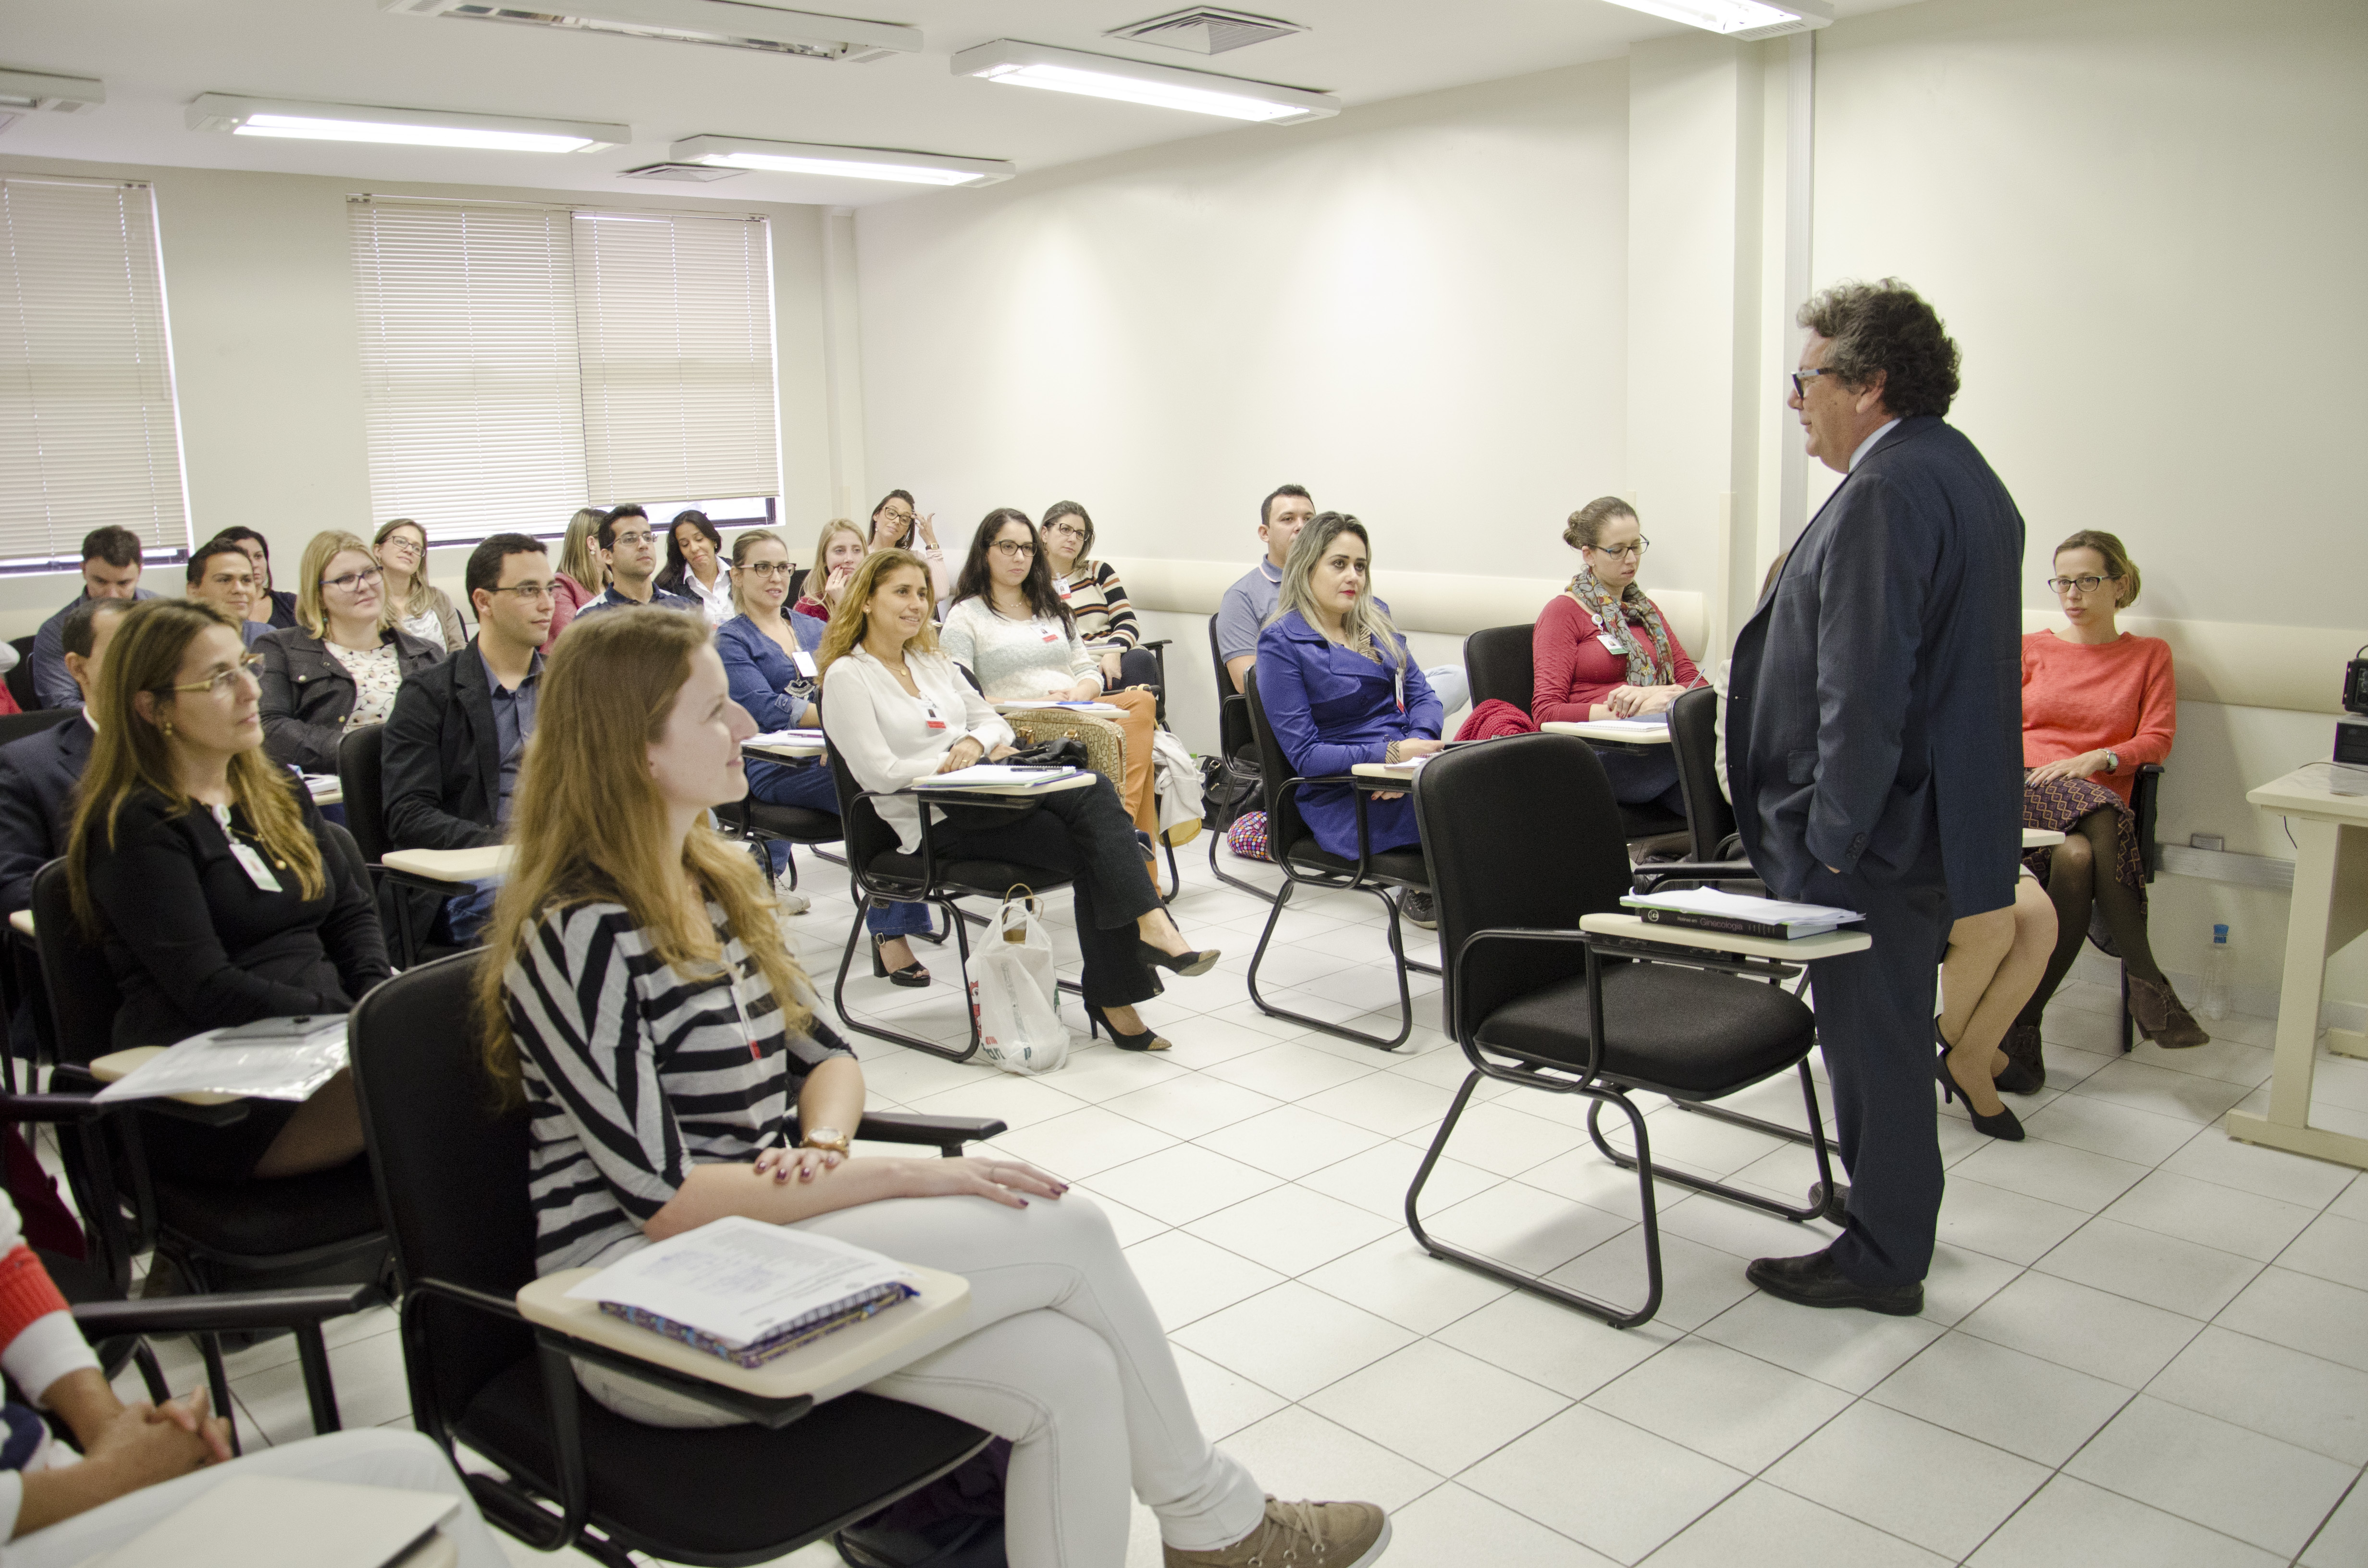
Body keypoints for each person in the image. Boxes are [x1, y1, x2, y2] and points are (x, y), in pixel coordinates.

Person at [484, 605, 1380, 1568]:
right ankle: (1223, 1532)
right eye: (712, 715)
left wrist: (823, 1152)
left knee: (1071, 1371)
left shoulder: (709, 887)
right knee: (1070, 1233)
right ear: (636, 751)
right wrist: (902, 1179)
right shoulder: (577, 933)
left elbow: (827, 1057)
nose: (745, 728)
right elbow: (663, 1204)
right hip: (633, 1303)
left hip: (752, 1242)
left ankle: (1216, 1527)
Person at [1727, 279, 2023, 1317]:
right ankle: (1888, 1198)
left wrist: (1836, 838)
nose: (1796, 403)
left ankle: (1884, 1254)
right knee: (1888, 1028)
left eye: (1805, 380)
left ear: (1869, 380)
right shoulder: (1960, 473)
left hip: (1877, 836)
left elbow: (1865, 682)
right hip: (1930, 820)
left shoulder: (1887, 491)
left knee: (1876, 1036)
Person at [826, 550, 1220, 1050]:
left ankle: (1142, 947)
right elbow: (877, 772)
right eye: (901, 592)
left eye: (922, 593)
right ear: (865, 601)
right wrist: (955, 760)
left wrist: (975, 743)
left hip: (987, 795)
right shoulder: (847, 676)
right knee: (1102, 846)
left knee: (1092, 791)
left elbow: (991, 721)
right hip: (932, 821)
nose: (916, 604)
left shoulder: (931, 662)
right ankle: (1129, 973)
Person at [0, 1185, 509, 1568]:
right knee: (409, 1481)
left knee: (413, 1473)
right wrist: (113, 1478)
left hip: (42, 1481)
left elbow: (6, 1268)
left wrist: (114, 1434)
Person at [67, 600, 387, 1185]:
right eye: (219, 679)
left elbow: (350, 914)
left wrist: (372, 1001)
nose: (248, 691)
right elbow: (207, 987)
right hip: (219, 1091)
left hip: (325, 1047)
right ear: (153, 707)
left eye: (246, 667)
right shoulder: (135, 824)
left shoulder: (277, 792)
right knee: (433, 1087)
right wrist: (352, 1024)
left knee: (473, 1051)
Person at [2015, 528, 2201, 1054]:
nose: (2071, 595)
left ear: (2119, 586)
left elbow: (2156, 738)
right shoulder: (2029, 650)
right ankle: (2149, 983)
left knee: (2076, 859)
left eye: (2087, 581)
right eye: (2062, 583)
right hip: (2025, 789)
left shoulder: (2148, 656)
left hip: (2098, 816)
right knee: (2097, 808)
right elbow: (1988, 727)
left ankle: (2023, 1029)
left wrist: (2102, 757)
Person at [1251, 514, 1444, 929]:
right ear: (1307, 567)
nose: (1353, 576)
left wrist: (1415, 751)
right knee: (1474, 804)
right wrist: (1388, 757)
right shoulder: (1282, 641)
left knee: (1500, 780)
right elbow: (1306, 756)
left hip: (1405, 771)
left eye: (1361, 565)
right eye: (1339, 564)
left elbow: (1422, 695)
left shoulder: (1375, 616)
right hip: (1346, 793)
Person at [940, 510, 1163, 845]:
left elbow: (1087, 668)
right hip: (1018, 722)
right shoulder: (966, 616)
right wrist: (1038, 702)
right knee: (1134, 747)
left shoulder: (1052, 608)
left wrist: (1084, 689)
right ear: (985, 551)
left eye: (1028, 548)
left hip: (1075, 710)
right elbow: (960, 697)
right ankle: (1125, 834)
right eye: (1008, 546)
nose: (1020, 557)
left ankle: (1123, 830)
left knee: (1142, 702)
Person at [381, 534, 554, 945]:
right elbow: (408, 814)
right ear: (483, 601)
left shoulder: (568, 684)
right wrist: (512, 845)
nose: (546, 604)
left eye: (548, 589)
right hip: (476, 875)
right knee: (558, 911)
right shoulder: (429, 695)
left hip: (562, 857)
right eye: (529, 591)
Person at [1215, 485, 1469, 716]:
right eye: (1288, 519)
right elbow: (1247, 682)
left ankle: (1394, 718)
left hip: (1373, 685)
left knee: (1455, 678)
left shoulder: (1347, 590)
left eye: (1308, 519)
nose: (1300, 526)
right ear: (1265, 533)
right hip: (1314, 700)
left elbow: (1399, 667)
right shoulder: (1243, 597)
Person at [709, 530, 848, 925]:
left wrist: (842, 726)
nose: (775, 577)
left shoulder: (811, 629)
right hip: (770, 763)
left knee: (887, 784)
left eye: (783, 568)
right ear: (737, 576)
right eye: (763, 568)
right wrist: (839, 719)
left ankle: (892, 916)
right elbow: (763, 709)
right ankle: (891, 910)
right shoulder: (732, 641)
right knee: (873, 789)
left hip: (826, 749)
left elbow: (847, 682)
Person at [1532, 497, 1700, 816]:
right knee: (1704, 749)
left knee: (1720, 763)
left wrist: (1659, 695)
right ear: (1589, 554)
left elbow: (1693, 681)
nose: (1631, 559)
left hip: (1655, 746)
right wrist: (1625, 712)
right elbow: (1546, 714)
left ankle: (1700, 860)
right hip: (1597, 754)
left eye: (1636, 546)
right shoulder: (1562, 613)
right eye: (1617, 549)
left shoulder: (1645, 613)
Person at [256, 531, 442, 775]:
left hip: (419, 786)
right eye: (345, 579)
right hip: (335, 794)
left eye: (370, 573)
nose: (363, 586)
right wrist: (363, 752)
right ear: (319, 595)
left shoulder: (426, 653)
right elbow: (270, 729)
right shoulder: (279, 648)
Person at [0, 600, 131, 915]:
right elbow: (16, 890)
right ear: (77, 668)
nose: (146, 664)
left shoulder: (197, 746)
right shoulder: (26, 767)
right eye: (125, 650)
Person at [1040, 501, 1160, 697]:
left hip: (1112, 658)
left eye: (1080, 534)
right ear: (1045, 533)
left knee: (1140, 660)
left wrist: (1113, 652)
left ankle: (1132, 725)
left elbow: (1127, 621)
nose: (1073, 539)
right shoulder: (1030, 584)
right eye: (1065, 529)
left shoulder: (1098, 572)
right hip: (1070, 665)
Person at [29, 527, 155, 713]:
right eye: (101, 582)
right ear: (83, 570)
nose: (112, 595)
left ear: (140, 572)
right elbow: (62, 707)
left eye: (123, 583)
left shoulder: (163, 615)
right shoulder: (56, 631)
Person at [576, 505, 700, 617]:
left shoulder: (685, 609)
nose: (643, 545)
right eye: (630, 539)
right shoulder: (590, 617)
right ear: (608, 556)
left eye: (647, 538)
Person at [371, 518, 467, 652]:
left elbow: (459, 653)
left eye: (417, 548)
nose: (409, 550)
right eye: (400, 542)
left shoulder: (438, 598)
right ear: (378, 550)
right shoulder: (367, 601)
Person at [180, 538, 271, 651]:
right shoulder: (175, 642)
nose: (239, 589)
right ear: (193, 590)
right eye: (224, 580)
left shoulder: (267, 637)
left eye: (246, 580)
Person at [207, 527, 298, 632]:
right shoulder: (216, 608)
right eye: (244, 556)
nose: (254, 565)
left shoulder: (291, 604)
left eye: (258, 556)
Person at [654, 509, 735, 626]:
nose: (694, 548)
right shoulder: (669, 587)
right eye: (685, 544)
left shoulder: (740, 572)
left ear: (714, 540)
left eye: (699, 539)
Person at [866, 489, 950, 599]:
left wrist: (931, 541)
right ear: (876, 515)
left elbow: (941, 593)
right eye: (891, 513)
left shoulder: (914, 560)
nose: (896, 521)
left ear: (906, 531)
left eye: (904, 519)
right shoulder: (860, 555)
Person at [547, 506, 606, 649]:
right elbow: (573, 643)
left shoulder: (613, 583)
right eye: (612, 540)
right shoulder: (561, 588)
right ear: (592, 544)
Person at [792, 518, 868, 623]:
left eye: (857, 550)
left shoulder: (875, 596)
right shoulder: (809, 608)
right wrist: (842, 605)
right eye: (840, 551)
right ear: (824, 558)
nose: (849, 559)